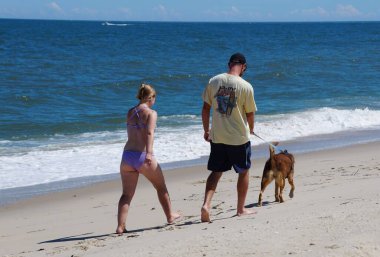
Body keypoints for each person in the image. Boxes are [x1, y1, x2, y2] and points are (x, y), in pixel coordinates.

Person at [116, 83, 181, 234]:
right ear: (151, 97)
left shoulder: (130, 112)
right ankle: (170, 216)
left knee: (126, 194)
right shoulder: (151, 113)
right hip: (142, 156)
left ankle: (120, 226)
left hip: (127, 156)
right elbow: (150, 133)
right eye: (154, 98)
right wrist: (149, 154)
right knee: (161, 187)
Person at [201, 53, 257, 222]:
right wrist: (251, 129)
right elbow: (250, 114)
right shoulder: (246, 86)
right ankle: (240, 209)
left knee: (216, 172)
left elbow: (205, 109)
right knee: (244, 171)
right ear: (244, 67)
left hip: (218, 136)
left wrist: (206, 130)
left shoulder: (214, 80)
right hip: (238, 138)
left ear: (229, 64)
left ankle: (206, 205)